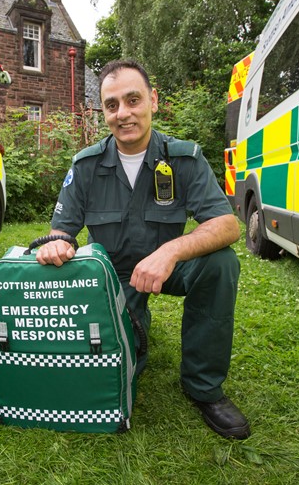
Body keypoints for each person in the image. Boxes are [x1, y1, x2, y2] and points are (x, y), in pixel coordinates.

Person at [35, 59, 250, 440]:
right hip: (112, 278)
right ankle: (133, 328)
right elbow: (61, 231)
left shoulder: (183, 158)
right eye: (112, 105)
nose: (123, 113)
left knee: (220, 264)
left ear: (152, 100)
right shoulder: (85, 166)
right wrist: (58, 246)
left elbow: (228, 224)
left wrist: (170, 253)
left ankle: (204, 389)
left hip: (169, 268)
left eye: (133, 100)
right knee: (124, 363)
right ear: (103, 112)